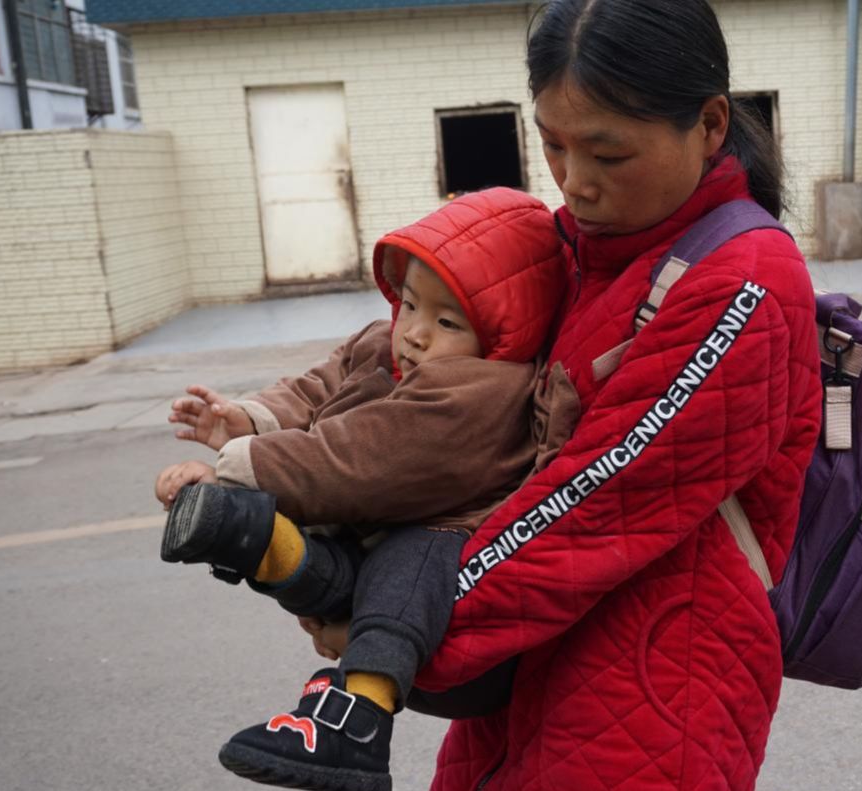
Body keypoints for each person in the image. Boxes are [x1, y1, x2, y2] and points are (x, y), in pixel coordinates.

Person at [374, 1, 826, 788]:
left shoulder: (742, 282)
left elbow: (593, 504)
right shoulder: (577, 253)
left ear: (711, 125)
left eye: (608, 155)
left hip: (655, 700)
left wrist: (392, 628)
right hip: (518, 674)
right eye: (552, 144)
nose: (574, 183)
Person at [152, 187, 567, 791]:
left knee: (413, 555)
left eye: (448, 321)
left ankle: (361, 721)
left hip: (436, 563)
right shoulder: (385, 340)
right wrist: (245, 419)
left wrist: (236, 467)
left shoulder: (480, 392)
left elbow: (354, 462)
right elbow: (315, 389)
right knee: (321, 550)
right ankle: (260, 539)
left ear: (502, 337)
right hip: (359, 547)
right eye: (412, 303)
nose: (416, 333)